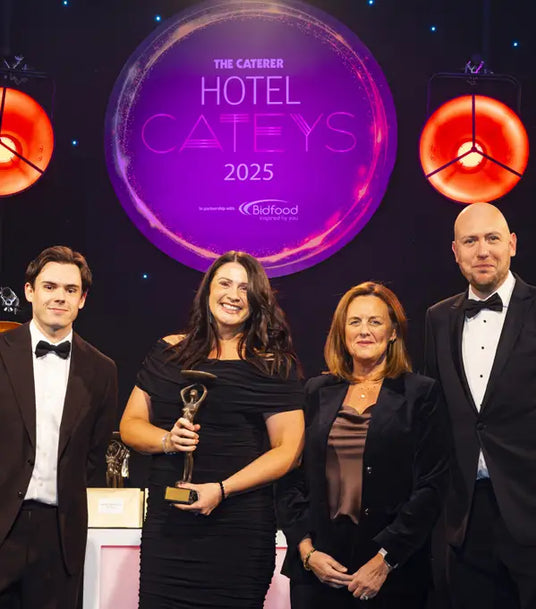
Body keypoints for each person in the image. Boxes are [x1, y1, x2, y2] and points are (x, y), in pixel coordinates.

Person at [120, 250, 304, 609]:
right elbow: (130, 425)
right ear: (207, 291)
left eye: (245, 288)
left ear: (258, 300)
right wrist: (167, 440)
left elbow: (288, 451)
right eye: (225, 283)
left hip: (238, 530)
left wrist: (222, 490)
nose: (233, 295)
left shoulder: (273, 366)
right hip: (169, 528)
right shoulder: (167, 352)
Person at [277, 281, 449, 609]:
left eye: (375, 321)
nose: (364, 331)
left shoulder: (421, 394)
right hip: (318, 571)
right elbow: (290, 479)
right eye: (354, 322)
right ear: (341, 332)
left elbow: (432, 486)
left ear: (393, 332)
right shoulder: (315, 391)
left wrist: (385, 559)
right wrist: (307, 552)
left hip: (391, 572)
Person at [424, 202, 536, 609]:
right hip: (466, 518)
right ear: (455, 252)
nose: (483, 250)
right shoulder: (437, 319)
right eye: (470, 241)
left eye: (492, 239)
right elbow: (435, 416)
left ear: (512, 244)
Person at [0, 246, 118, 609]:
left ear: (82, 299)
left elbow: (94, 454)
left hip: (60, 536)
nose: (59, 297)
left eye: (70, 289)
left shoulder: (102, 369)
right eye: (50, 286)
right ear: (30, 291)